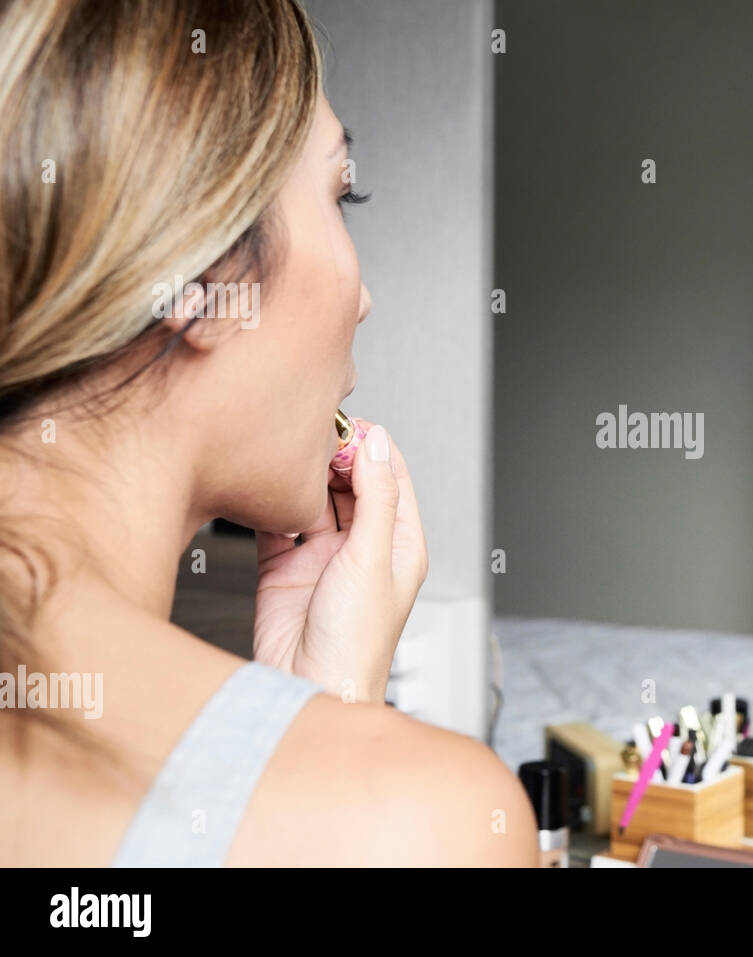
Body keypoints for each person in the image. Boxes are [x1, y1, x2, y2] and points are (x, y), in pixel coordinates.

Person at [0, 0, 536, 866]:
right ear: (200, 277)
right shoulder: (428, 819)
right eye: (342, 194)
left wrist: (309, 711)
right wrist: (345, 739)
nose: (364, 300)